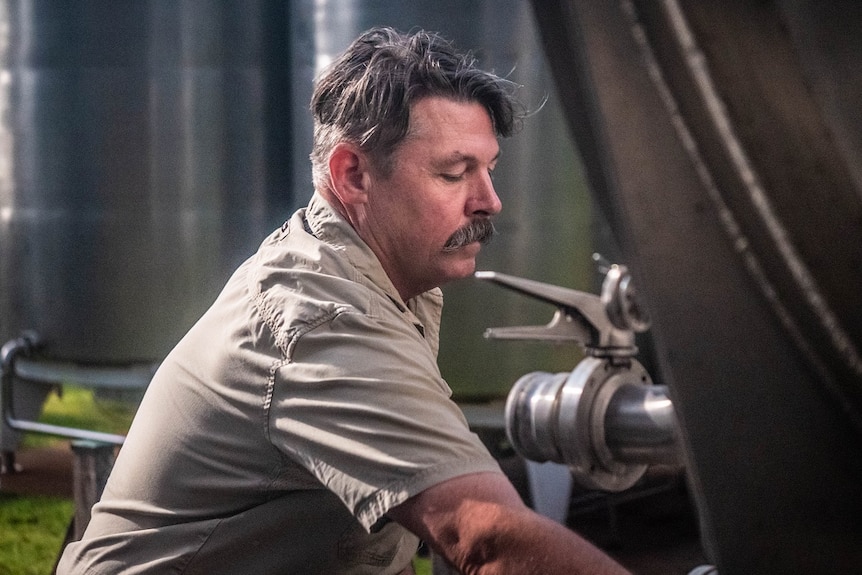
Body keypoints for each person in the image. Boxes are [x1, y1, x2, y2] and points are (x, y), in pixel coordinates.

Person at [57, 27, 631, 575]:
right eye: (455, 173)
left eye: (489, 169)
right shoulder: (324, 318)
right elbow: (485, 536)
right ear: (352, 173)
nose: (490, 201)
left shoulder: (391, 272)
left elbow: (377, 539)